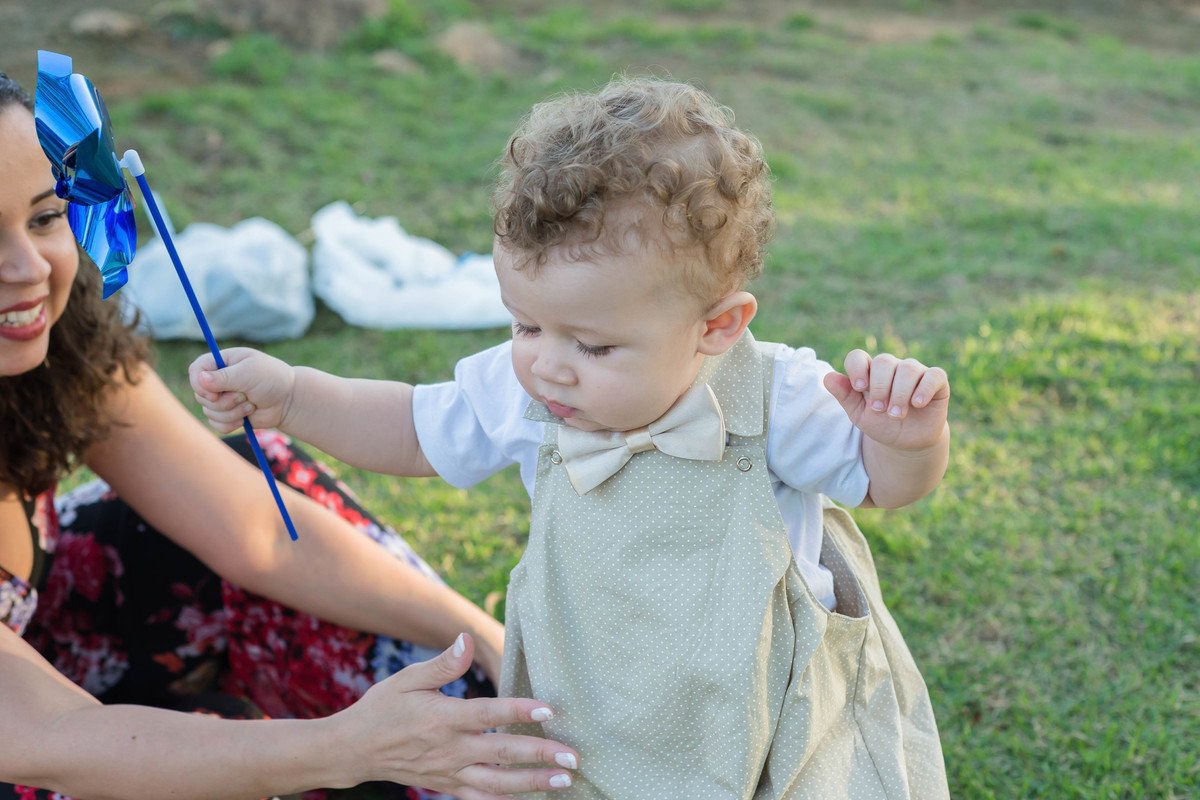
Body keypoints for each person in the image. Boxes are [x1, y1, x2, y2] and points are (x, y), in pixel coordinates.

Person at [191, 76, 952, 799]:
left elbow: (886, 484)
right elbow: (413, 431)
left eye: (593, 346)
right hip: (591, 688)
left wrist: (907, 441)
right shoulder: (527, 387)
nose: (548, 366)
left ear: (716, 327)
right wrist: (292, 396)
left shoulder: (777, 396)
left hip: (763, 705)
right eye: (525, 325)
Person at [0, 72, 579, 800]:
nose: (27, 270)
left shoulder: (60, 343)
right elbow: (51, 738)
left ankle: (493, 753)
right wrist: (343, 747)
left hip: (50, 655)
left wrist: (481, 641)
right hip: (33, 739)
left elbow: (257, 534)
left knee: (254, 472)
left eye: (44, 217)